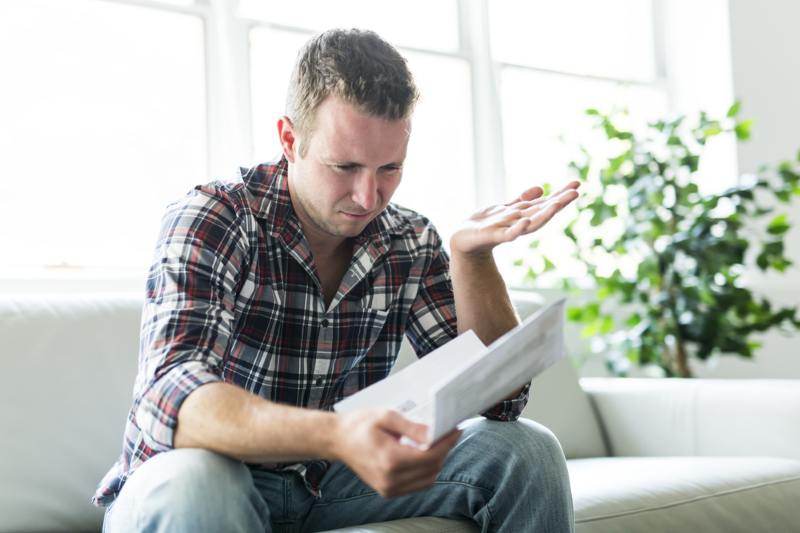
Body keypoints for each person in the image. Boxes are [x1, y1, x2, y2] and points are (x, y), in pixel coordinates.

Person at [94, 28, 579, 533]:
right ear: (290, 140)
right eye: (344, 166)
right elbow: (173, 400)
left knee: (526, 450)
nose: (368, 197)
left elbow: (501, 402)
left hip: (328, 486)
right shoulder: (214, 215)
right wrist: (339, 435)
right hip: (193, 479)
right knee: (199, 478)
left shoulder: (409, 240)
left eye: (390, 167)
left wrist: (471, 258)